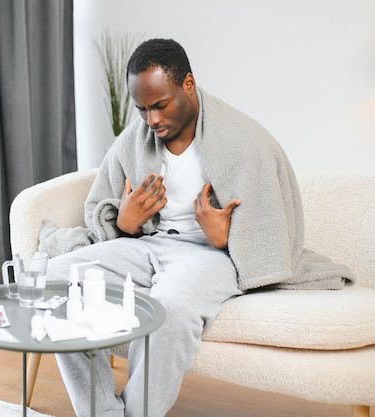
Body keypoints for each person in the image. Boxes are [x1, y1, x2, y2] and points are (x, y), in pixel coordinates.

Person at [39, 38, 350, 417]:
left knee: (169, 307)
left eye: (160, 105)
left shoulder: (245, 141)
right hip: (148, 246)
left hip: (208, 256)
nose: (152, 120)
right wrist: (124, 222)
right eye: (142, 109)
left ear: (188, 84)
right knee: (55, 280)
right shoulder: (135, 141)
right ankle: (100, 411)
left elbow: (270, 228)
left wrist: (224, 237)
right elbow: (101, 205)